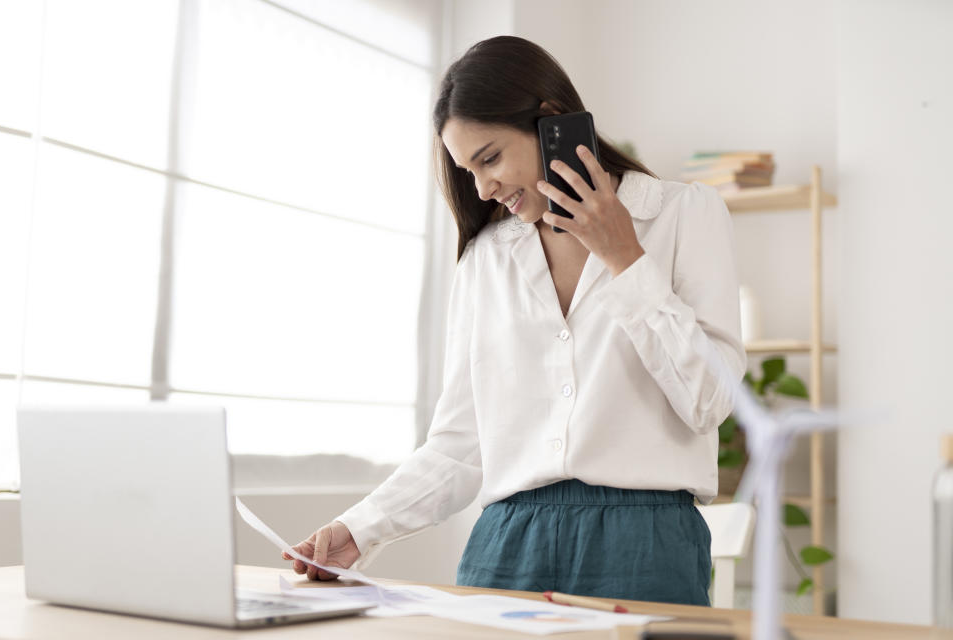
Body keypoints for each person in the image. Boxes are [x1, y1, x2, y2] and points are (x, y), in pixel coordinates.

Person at [283, 35, 746, 606]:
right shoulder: (487, 258)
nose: (482, 188)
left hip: (647, 542)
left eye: (490, 158)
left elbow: (709, 400)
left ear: (552, 123)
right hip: (506, 545)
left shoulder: (683, 214)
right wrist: (359, 530)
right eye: (467, 169)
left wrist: (625, 258)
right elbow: (458, 444)